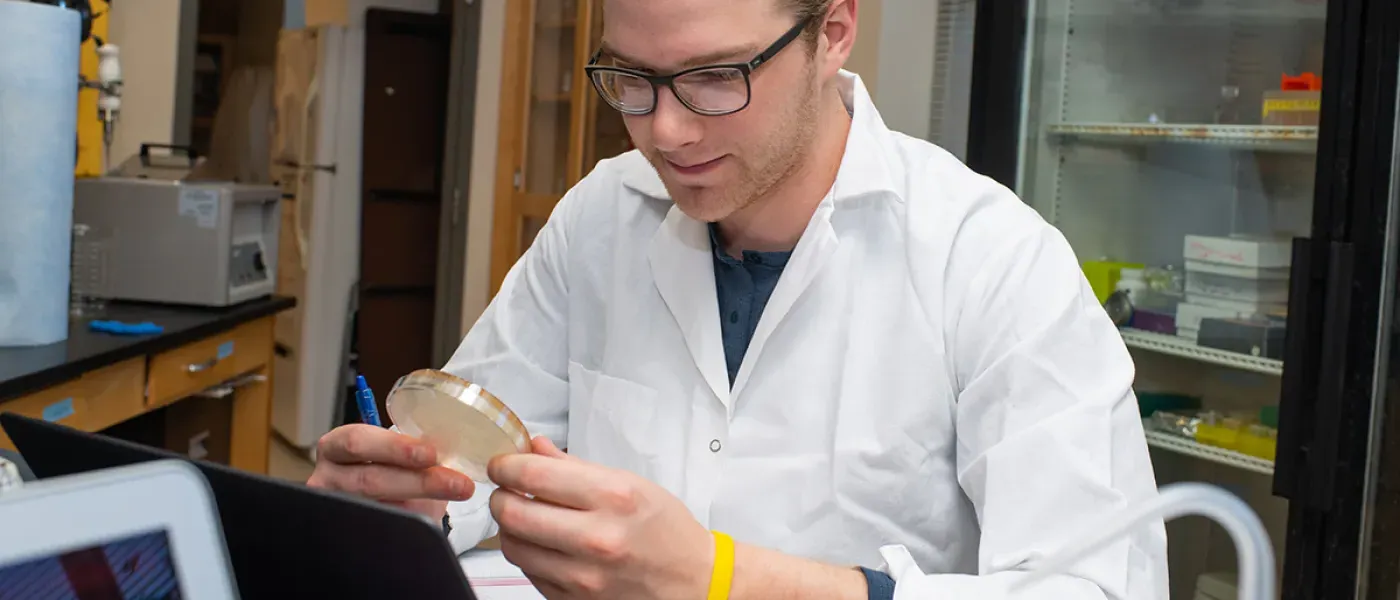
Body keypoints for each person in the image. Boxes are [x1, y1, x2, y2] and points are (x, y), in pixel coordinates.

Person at [307, 0, 1170, 598]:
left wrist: (721, 582)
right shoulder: (600, 219)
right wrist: (399, 503)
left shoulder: (993, 263)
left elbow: (1092, 588)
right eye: (633, 81)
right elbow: (469, 458)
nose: (666, 132)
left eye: (715, 77)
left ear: (833, 30)